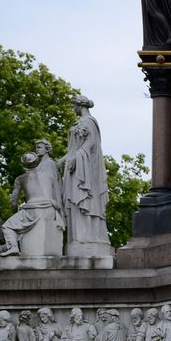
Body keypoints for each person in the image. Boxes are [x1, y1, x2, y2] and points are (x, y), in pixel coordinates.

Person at [59, 95, 111, 256]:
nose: (72, 109)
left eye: (73, 105)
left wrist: (76, 157)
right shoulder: (80, 122)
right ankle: (77, 238)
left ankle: (88, 237)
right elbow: (71, 150)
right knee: (75, 201)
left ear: (79, 105)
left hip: (85, 169)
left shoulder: (88, 122)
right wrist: (59, 162)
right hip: (75, 167)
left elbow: (92, 143)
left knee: (86, 199)